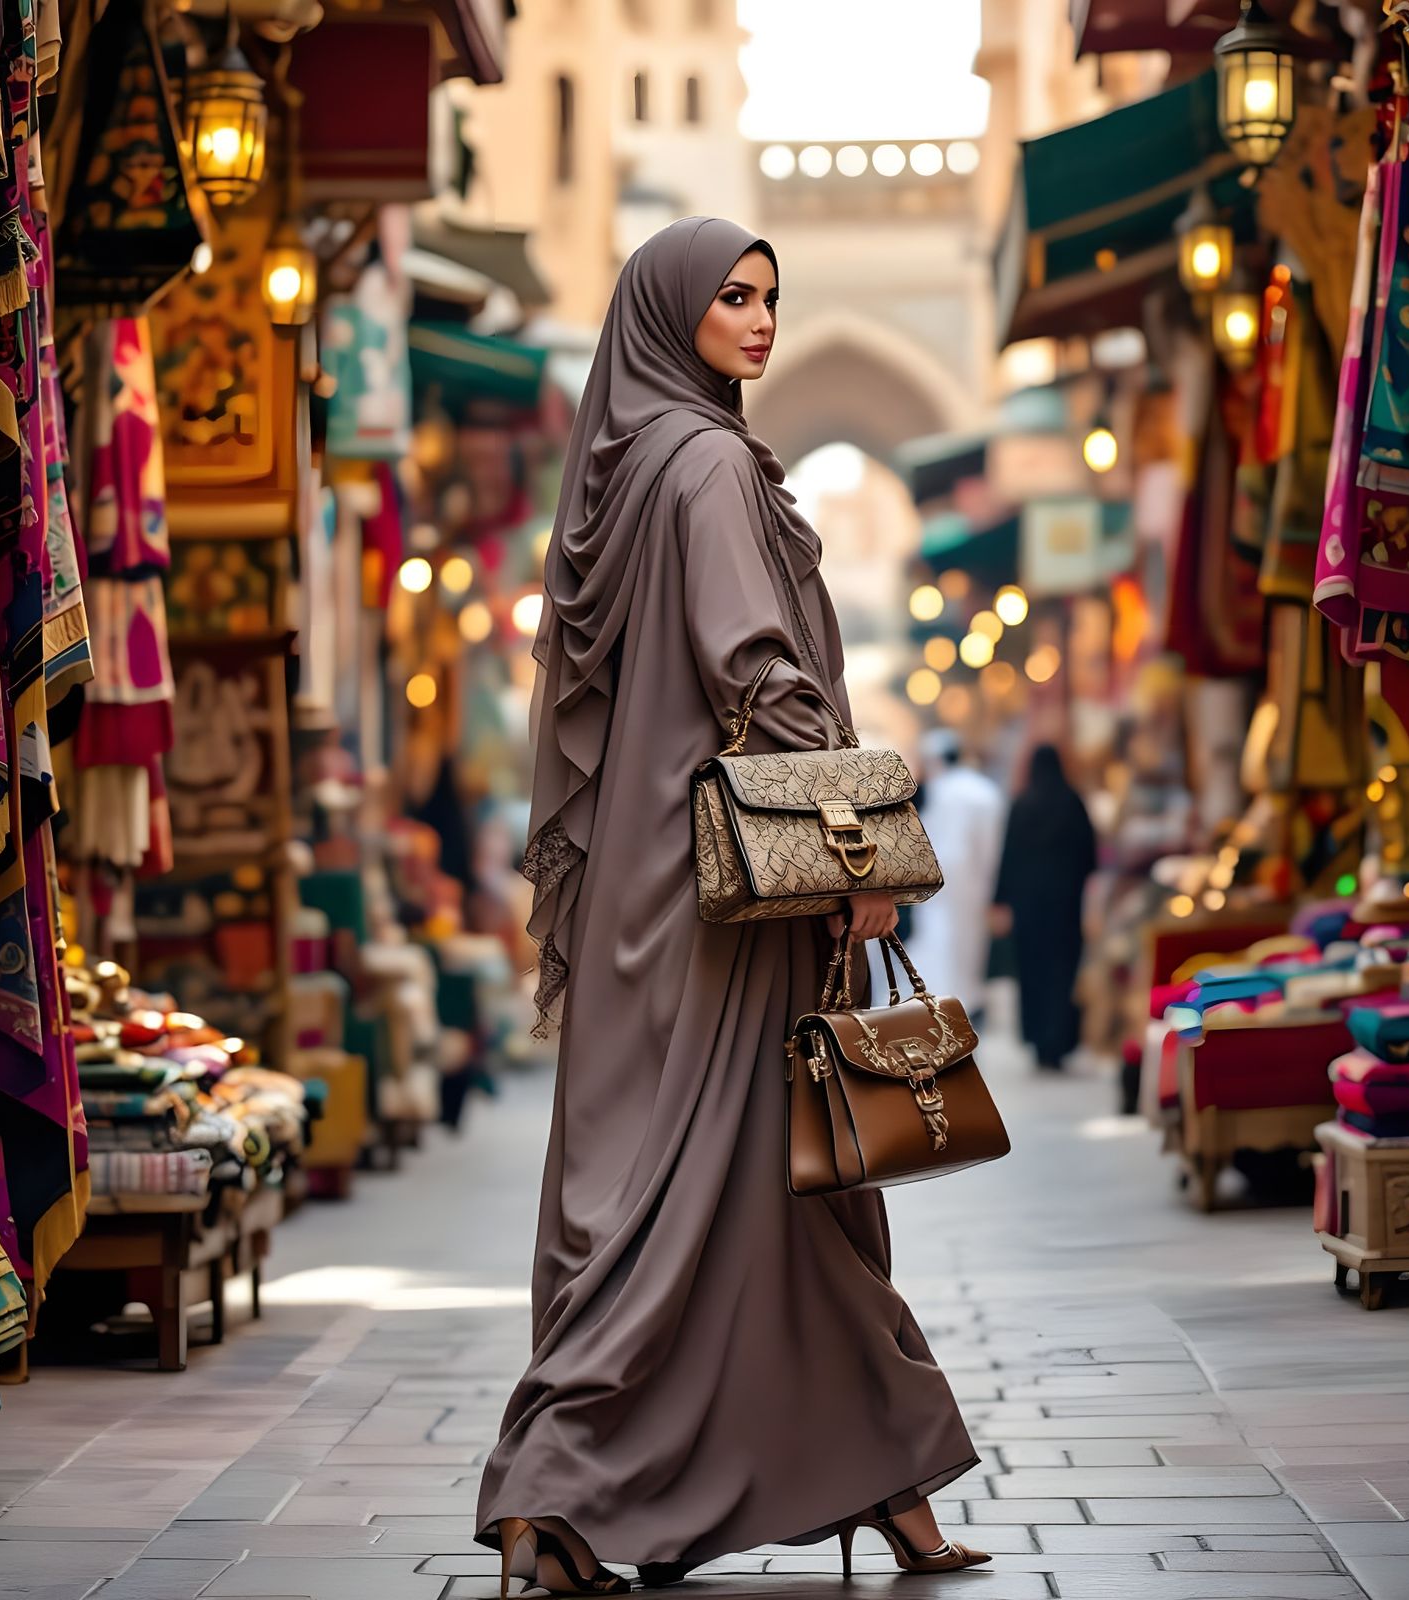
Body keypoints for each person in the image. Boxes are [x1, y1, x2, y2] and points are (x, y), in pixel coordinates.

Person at [475, 218, 985, 1597]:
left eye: (770, 297)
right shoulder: (704, 462)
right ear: (670, 313)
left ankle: (883, 1482)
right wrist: (855, 846)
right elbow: (754, 665)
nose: (760, 320)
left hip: (651, 887)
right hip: (726, 902)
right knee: (706, 1188)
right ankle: (553, 1489)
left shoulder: (627, 461)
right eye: (733, 298)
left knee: (737, 1183)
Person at [994, 744, 1098, 1071]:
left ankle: (1039, 1041)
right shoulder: (1072, 802)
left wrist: (1001, 900)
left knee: (1033, 972)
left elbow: (1008, 855)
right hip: (1065, 907)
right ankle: (1059, 1042)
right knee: (1061, 971)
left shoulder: (1022, 805)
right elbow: (1090, 855)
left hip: (1028, 909)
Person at [903, 729, 1006, 1019]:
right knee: (967, 946)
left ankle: (939, 1006)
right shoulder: (984, 791)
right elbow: (993, 846)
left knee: (939, 942)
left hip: (938, 879)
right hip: (973, 880)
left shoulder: (935, 790)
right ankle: (963, 1004)